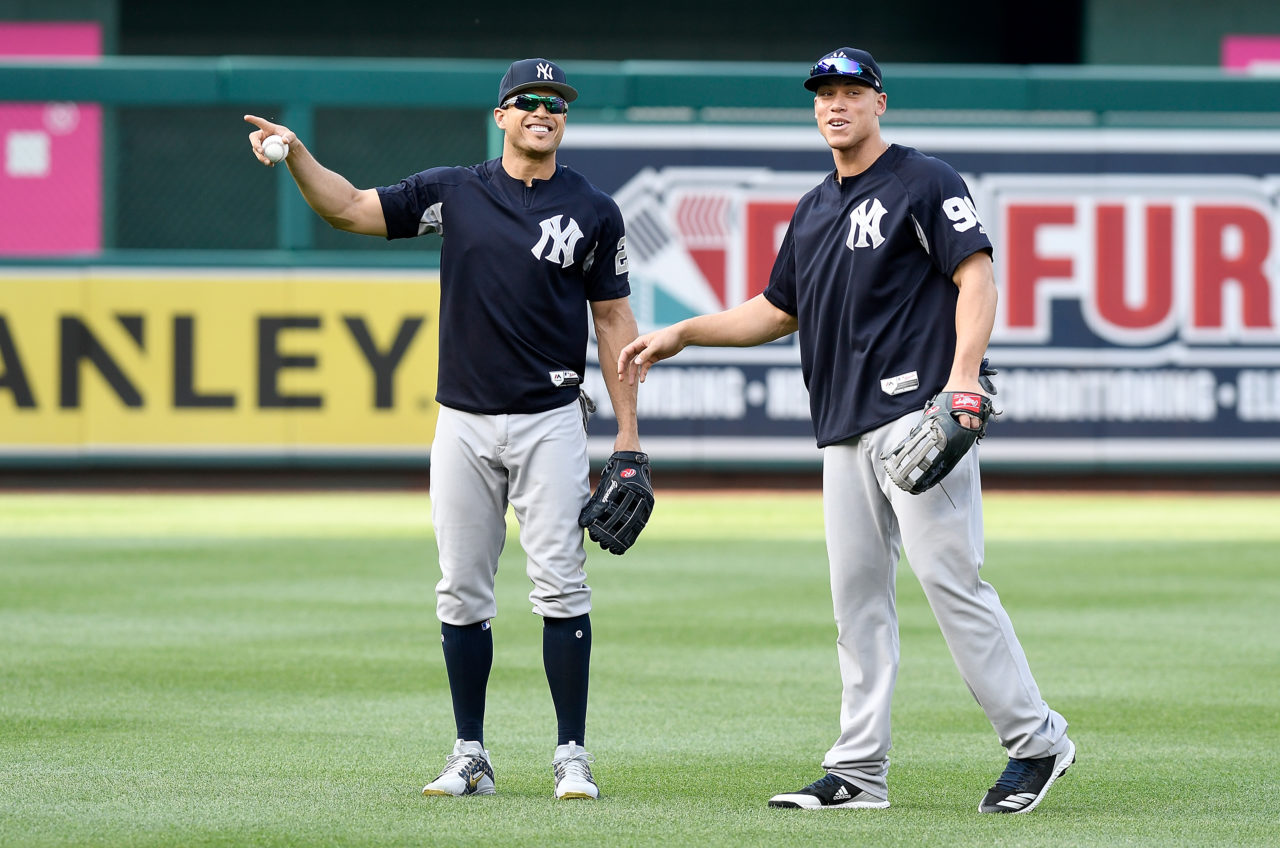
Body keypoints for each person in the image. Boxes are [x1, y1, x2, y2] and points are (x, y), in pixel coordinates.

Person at [618, 47, 1073, 814]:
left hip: (919, 418)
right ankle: (859, 772)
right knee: (856, 603)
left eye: (851, 91)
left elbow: (977, 275)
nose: (836, 104)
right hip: (843, 432)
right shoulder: (814, 206)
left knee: (950, 584)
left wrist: (963, 378)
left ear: (879, 102)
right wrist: (684, 331)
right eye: (824, 92)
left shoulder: (923, 180)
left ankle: (1037, 743)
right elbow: (776, 310)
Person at [245, 57, 641, 802]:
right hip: (461, 420)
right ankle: (470, 753)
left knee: (561, 586)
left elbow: (615, 321)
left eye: (554, 103)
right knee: (461, 590)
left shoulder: (593, 209)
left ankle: (571, 754)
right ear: (501, 116)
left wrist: (628, 438)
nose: (542, 111)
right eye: (527, 100)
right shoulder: (455, 192)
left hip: (550, 420)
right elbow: (351, 209)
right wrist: (298, 155)